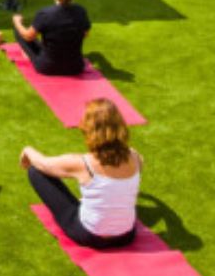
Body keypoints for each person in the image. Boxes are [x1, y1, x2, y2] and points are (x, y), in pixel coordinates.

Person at [20, 97, 142, 250]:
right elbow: (135, 172)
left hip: (91, 236)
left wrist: (27, 150)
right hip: (126, 236)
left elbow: (43, 164)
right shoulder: (135, 157)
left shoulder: (83, 163)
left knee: (35, 171)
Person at [11, 0, 92, 76]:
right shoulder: (81, 11)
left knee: (19, 30)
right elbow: (85, 34)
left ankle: (30, 53)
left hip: (48, 67)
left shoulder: (45, 14)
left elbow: (27, 36)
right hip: (76, 67)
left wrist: (17, 22)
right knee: (42, 43)